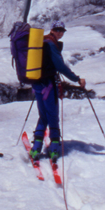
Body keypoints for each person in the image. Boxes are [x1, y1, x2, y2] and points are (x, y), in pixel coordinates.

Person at [30, 21, 85, 163]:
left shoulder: (42, 41)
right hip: (48, 84)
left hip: (37, 84)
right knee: (53, 116)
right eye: (57, 29)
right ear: (52, 30)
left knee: (43, 116)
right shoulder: (51, 44)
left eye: (62, 30)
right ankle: (54, 148)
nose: (60, 32)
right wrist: (76, 79)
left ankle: (36, 147)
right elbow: (60, 66)